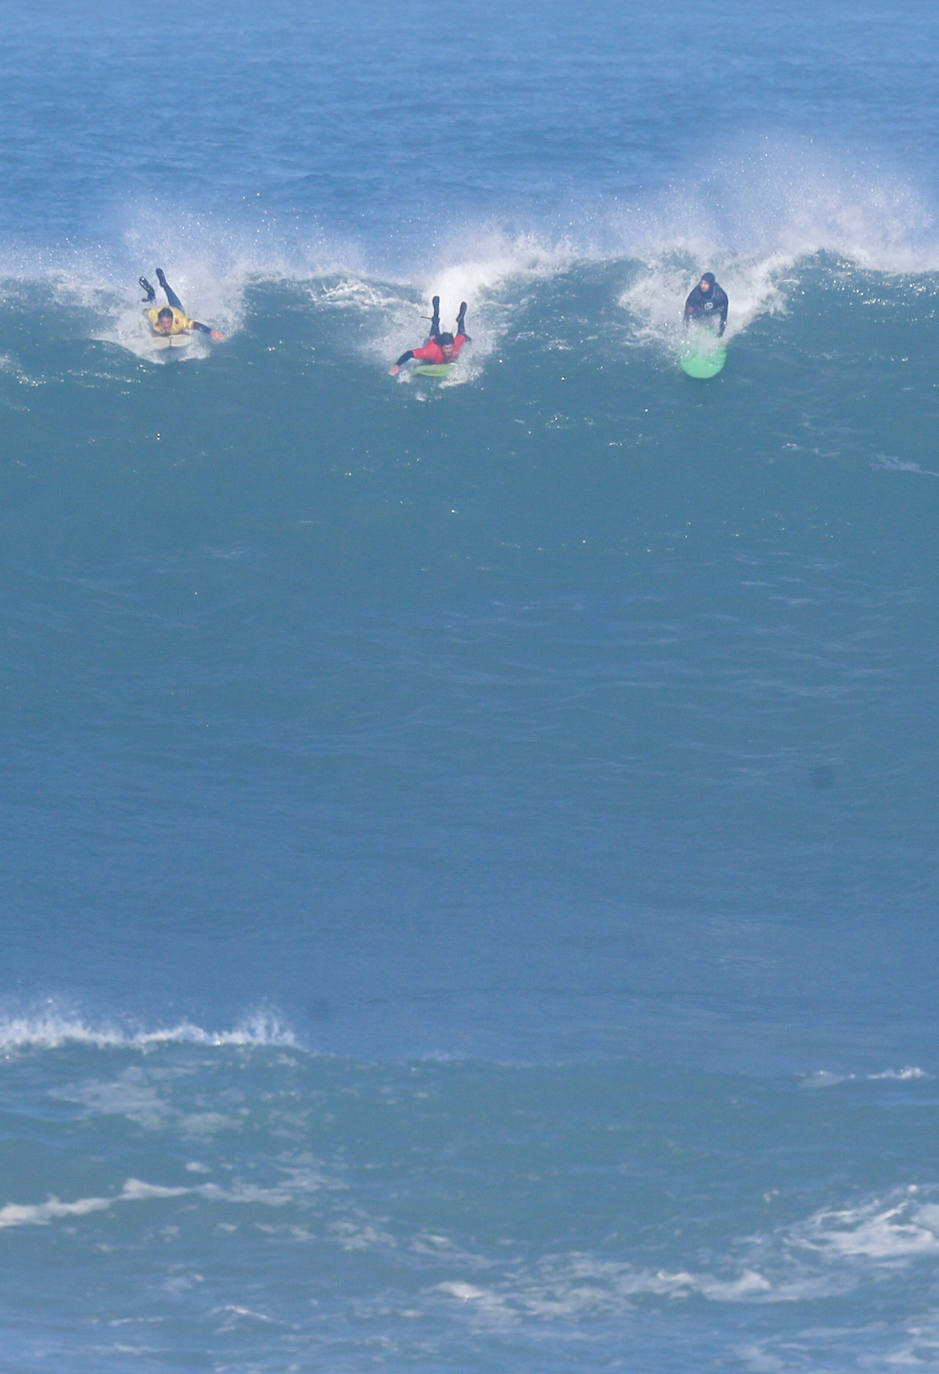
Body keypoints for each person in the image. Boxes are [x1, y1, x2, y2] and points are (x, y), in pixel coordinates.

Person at [389, 296, 470, 375]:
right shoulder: (431, 351)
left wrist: (470, 341)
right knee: (434, 331)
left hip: (442, 348)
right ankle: (436, 313)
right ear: (441, 347)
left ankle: (461, 319)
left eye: (450, 348)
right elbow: (409, 353)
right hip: (433, 341)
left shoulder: (455, 345)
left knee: (462, 332)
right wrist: (397, 365)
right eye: (446, 348)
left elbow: (463, 336)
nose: (449, 350)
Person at [139, 268, 224, 342]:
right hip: (160, 312)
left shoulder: (180, 321)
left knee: (172, 298)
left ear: (172, 320)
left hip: (176, 309)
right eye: (163, 322)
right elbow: (145, 312)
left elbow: (196, 325)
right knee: (152, 302)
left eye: (168, 322)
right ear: (159, 320)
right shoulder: (154, 317)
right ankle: (151, 292)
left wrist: (211, 332)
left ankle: (164, 284)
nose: (165, 326)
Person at [683, 272, 728, 338]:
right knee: (690, 310)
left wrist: (720, 335)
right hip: (698, 311)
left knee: (721, 311)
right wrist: (685, 332)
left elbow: (723, 318)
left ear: (711, 284)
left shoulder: (720, 295)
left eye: (706, 284)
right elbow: (687, 312)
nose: (703, 286)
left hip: (713, 311)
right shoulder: (695, 293)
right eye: (701, 283)